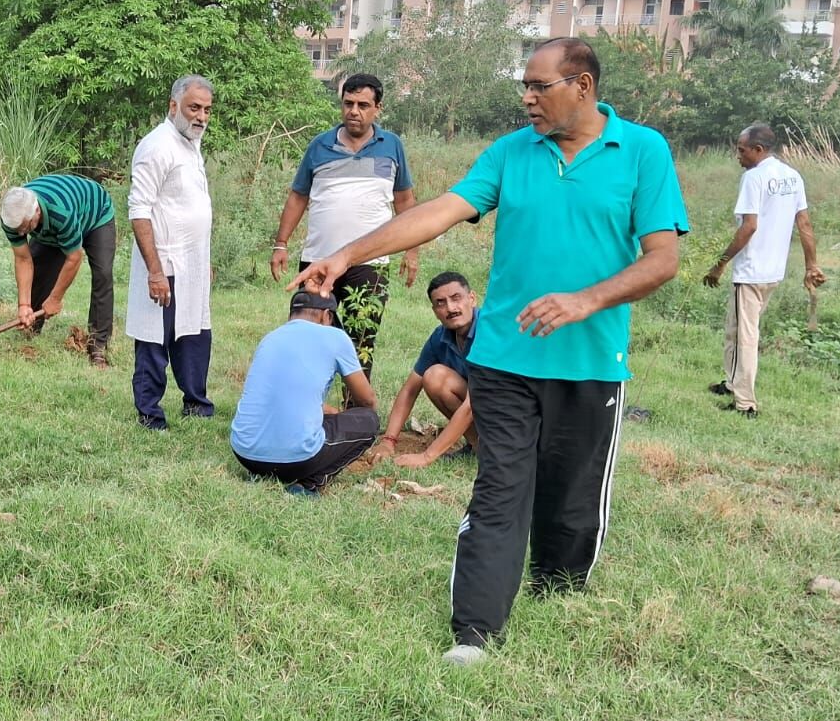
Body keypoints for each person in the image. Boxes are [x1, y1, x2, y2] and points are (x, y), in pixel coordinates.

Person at [290, 37, 687, 665]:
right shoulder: (511, 152)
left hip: (590, 364)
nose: (527, 98)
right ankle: (475, 630)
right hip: (502, 362)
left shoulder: (641, 151)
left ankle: (559, 588)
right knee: (500, 489)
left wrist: (584, 301)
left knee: (571, 496)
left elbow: (664, 258)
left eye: (539, 86)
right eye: (523, 87)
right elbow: (440, 211)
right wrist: (346, 255)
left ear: (582, 86)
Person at [270, 73, 417, 405]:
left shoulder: (392, 146)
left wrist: (412, 250)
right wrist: (281, 244)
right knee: (309, 335)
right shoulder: (319, 146)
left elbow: (405, 201)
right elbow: (297, 197)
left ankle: (354, 415)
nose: (354, 111)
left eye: (363, 105)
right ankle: (307, 407)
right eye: (348, 104)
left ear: (377, 108)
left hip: (370, 264)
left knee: (361, 339)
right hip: (319, 263)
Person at [702, 123, 824, 418]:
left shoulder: (754, 178)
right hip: (773, 271)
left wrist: (720, 264)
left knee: (746, 336)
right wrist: (811, 265)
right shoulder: (792, 177)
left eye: (741, 150)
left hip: (751, 270)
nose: (738, 155)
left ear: (758, 150)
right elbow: (804, 224)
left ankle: (745, 403)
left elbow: (750, 226)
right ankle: (732, 383)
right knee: (736, 328)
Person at [126, 74, 215, 431]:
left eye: (207, 110)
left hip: (191, 262)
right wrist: (155, 271)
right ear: (173, 106)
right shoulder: (157, 145)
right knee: (154, 341)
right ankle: (150, 414)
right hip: (164, 263)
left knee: (194, 334)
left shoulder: (191, 143)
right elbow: (139, 209)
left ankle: (196, 404)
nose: (202, 117)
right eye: (194, 108)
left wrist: (202, 260)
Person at [230, 291, 379, 494]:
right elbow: (367, 399)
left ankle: (263, 474)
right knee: (369, 420)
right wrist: (353, 417)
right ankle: (308, 484)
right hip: (298, 459)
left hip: (245, 454)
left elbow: (283, 393)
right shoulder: (335, 336)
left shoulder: (270, 338)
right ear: (326, 315)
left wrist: (329, 412)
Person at [0, 175, 118, 367]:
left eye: (25, 228)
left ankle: (97, 345)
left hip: (96, 216)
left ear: (36, 210)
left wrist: (55, 299)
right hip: (57, 221)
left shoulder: (61, 213)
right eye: (18, 229)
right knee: (39, 266)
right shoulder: (14, 218)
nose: (22, 233)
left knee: (102, 275)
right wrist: (23, 305)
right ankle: (32, 326)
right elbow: (23, 259)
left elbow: (74, 257)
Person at [371, 271, 481, 468]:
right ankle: (479, 447)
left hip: (514, 413)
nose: (451, 308)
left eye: (456, 298)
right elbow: (410, 389)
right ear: (434, 311)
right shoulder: (441, 336)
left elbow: (473, 403)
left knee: (443, 380)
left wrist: (427, 456)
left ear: (472, 298)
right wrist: (388, 440)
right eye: (441, 303)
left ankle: (498, 447)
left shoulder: (489, 331)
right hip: (482, 406)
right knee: (434, 377)